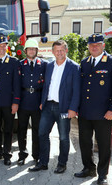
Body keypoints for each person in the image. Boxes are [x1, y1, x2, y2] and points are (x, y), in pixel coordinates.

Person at [74, 34, 112, 185]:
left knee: (103, 144)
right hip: (84, 112)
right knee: (84, 142)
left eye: (97, 44)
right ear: (88, 47)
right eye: (91, 45)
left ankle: (102, 174)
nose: (94, 47)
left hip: (104, 113)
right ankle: (88, 168)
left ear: (103, 46)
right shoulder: (84, 62)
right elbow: (82, 88)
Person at [29, 40, 80, 174]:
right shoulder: (50, 66)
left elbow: (77, 90)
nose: (59, 53)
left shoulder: (74, 67)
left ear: (66, 50)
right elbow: (46, 85)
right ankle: (43, 162)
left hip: (64, 108)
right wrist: (42, 101)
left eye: (62, 50)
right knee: (42, 133)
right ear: (52, 52)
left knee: (63, 136)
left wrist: (73, 109)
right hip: (47, 106)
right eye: (56, 50)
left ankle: (62, 164)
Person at [0, 35, 21, 166]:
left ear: (7, 47)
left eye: (4, 45)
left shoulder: (14, 62)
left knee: (8, 129)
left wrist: (16, 102)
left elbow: (17, 84)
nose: (2, 48)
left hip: (8, 103)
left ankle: (7, 154)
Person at [17, 39, 47, 166]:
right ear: (25, 51)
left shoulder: (44, 64)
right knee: (21, 129)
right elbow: (16, 84)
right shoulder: (20, 64)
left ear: (36, 51)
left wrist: (43, 101)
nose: (31, 51)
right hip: (23, 101)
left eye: (33, 49)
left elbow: (46, 84)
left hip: (37, 101)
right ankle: (22, 155)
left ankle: (36, 155)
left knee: (37, 130)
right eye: (29, 49)